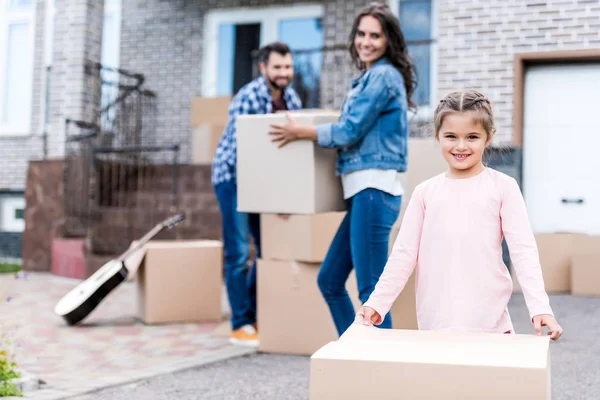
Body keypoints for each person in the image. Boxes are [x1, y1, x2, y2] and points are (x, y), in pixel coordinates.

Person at [358, 90, 563, 341]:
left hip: (490, 324)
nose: (461, 145)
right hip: (436, 322)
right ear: (438, 136)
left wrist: (540, 307)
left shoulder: (503, 187)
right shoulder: (425, 193)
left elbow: (523, 251)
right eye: (451, 136)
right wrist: (378, 302)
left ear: (489, 138)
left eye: (472, 137)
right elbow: (403, 254)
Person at [269, 2, 415, 336]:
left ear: (388, 40)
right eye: (361, 34)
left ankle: (379, 373)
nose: (366, 42)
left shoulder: (381, 76)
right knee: (330, 280)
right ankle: (355, 353)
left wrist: (301, 132)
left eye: (375, 36)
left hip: (374, 191)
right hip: (364, 193)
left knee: (371, 293)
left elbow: (349, 130)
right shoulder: (371, 76)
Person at [212, 41, 302, 347]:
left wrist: (284, 197)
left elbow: (290, 153)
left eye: (288, 67)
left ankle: (252, 314)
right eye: (277, 67)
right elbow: (244, 152)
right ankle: (240, 323)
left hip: (262, 182)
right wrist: (271, 193)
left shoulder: (292, 99)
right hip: (234, 178)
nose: (283, 73)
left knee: (267, 250)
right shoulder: (248, 97)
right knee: (238, 253)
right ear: (263, 67)